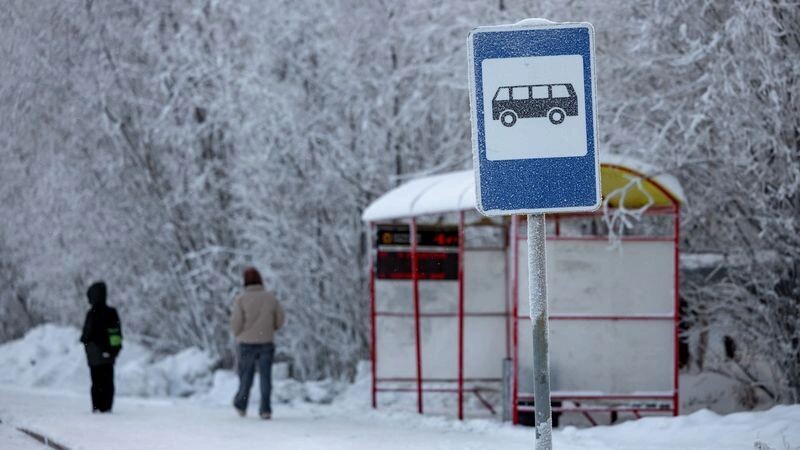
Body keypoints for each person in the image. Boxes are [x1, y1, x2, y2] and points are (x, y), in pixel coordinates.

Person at [231, 267, 285, 420]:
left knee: (246, 376)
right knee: (266, 377)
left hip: (246, 342)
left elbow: (236, 322)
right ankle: (265, 409)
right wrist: (271, 328)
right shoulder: (270, 298)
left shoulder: (241, 299)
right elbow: (280, 318)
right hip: (266, 342)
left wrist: (239, 334)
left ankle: (241, 405)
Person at [80, 281, 122, 413]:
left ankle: (97, 407)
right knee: (108, 381)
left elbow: (86, 335)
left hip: (94, 356)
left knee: (96, 382)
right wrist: (114, 351)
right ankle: (106, 407)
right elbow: (116, 333)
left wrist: (89, 348)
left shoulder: (91, 313)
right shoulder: (111, 312)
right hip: (108, 355)